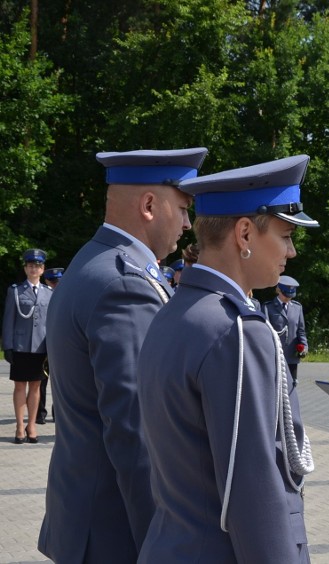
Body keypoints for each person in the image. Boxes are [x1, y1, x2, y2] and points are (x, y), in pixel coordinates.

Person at [137, 155, 318, 563]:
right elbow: (253, 491)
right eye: (286, 235)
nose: (290, 251)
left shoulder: (175, 309)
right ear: (244, 233)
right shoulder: (237, 331)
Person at [38, 147, 208, 563]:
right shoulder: (124, 285)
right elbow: (139, 434)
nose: (188, 224)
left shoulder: (95, 261)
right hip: (117, 533)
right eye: (184, 208)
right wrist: (166, 547)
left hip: (89, 520)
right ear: (149, 205)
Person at [3, 248, 52, 443]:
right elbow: (8, 320)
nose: (34, 269)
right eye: (30, 266)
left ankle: (31, 425)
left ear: (42, 270)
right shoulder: (15, 291)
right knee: (19, 387)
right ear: (25, 269)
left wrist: (52, 347)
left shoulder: (49, 293)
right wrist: (8, 346)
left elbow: (51, 322)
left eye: (37, 266)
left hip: (40, 347)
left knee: (36, 387)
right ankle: (18, 426)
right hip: (21, 346)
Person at [262, 275, 309, 380]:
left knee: (291, 386)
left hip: (292, 356)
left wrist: (304, 346)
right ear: (278, 290)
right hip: (275, 355)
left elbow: (301, 331)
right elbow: (265, 332)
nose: (288, 298)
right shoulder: (268, 307)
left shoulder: (297, 308)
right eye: (286, 295)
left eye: (291, 296)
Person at [38, 267, 64, 423]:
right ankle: (40, 413)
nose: (55, 284)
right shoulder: (42, 296)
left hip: (59, 344)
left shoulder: (64, 296)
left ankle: (57, 413)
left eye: (58, 281)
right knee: (41, 381)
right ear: (46, 281)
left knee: (58, 381)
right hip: (41, 344)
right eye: (52, 282)